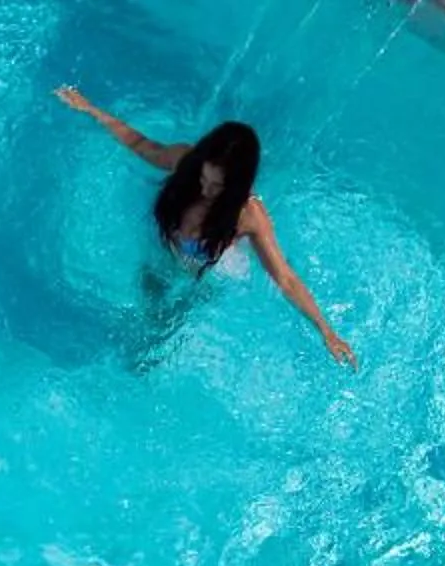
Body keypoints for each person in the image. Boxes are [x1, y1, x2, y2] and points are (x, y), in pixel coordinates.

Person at [54, 89, 355, 367]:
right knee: (148, 299)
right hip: (170, 251)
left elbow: (285, 279)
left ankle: (152, 358)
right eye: (204, 179)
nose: (205, 190)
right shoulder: (185, 162)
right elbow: (139, 143)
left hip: (210, 269)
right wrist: (92, 109)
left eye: (217, 187)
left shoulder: (249, 215)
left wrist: (326, 331)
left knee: (169, 325)